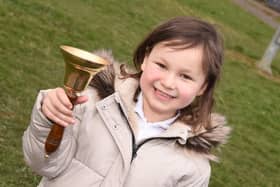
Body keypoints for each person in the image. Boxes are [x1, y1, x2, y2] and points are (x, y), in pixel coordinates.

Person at [23, 16, 231, 187]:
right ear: (145, 59)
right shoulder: (92, 102)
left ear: (202, 87)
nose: (168, 82)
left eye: (185, 76)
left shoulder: (193, 167)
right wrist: (49, 119)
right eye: (161, 65)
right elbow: (44, 164)